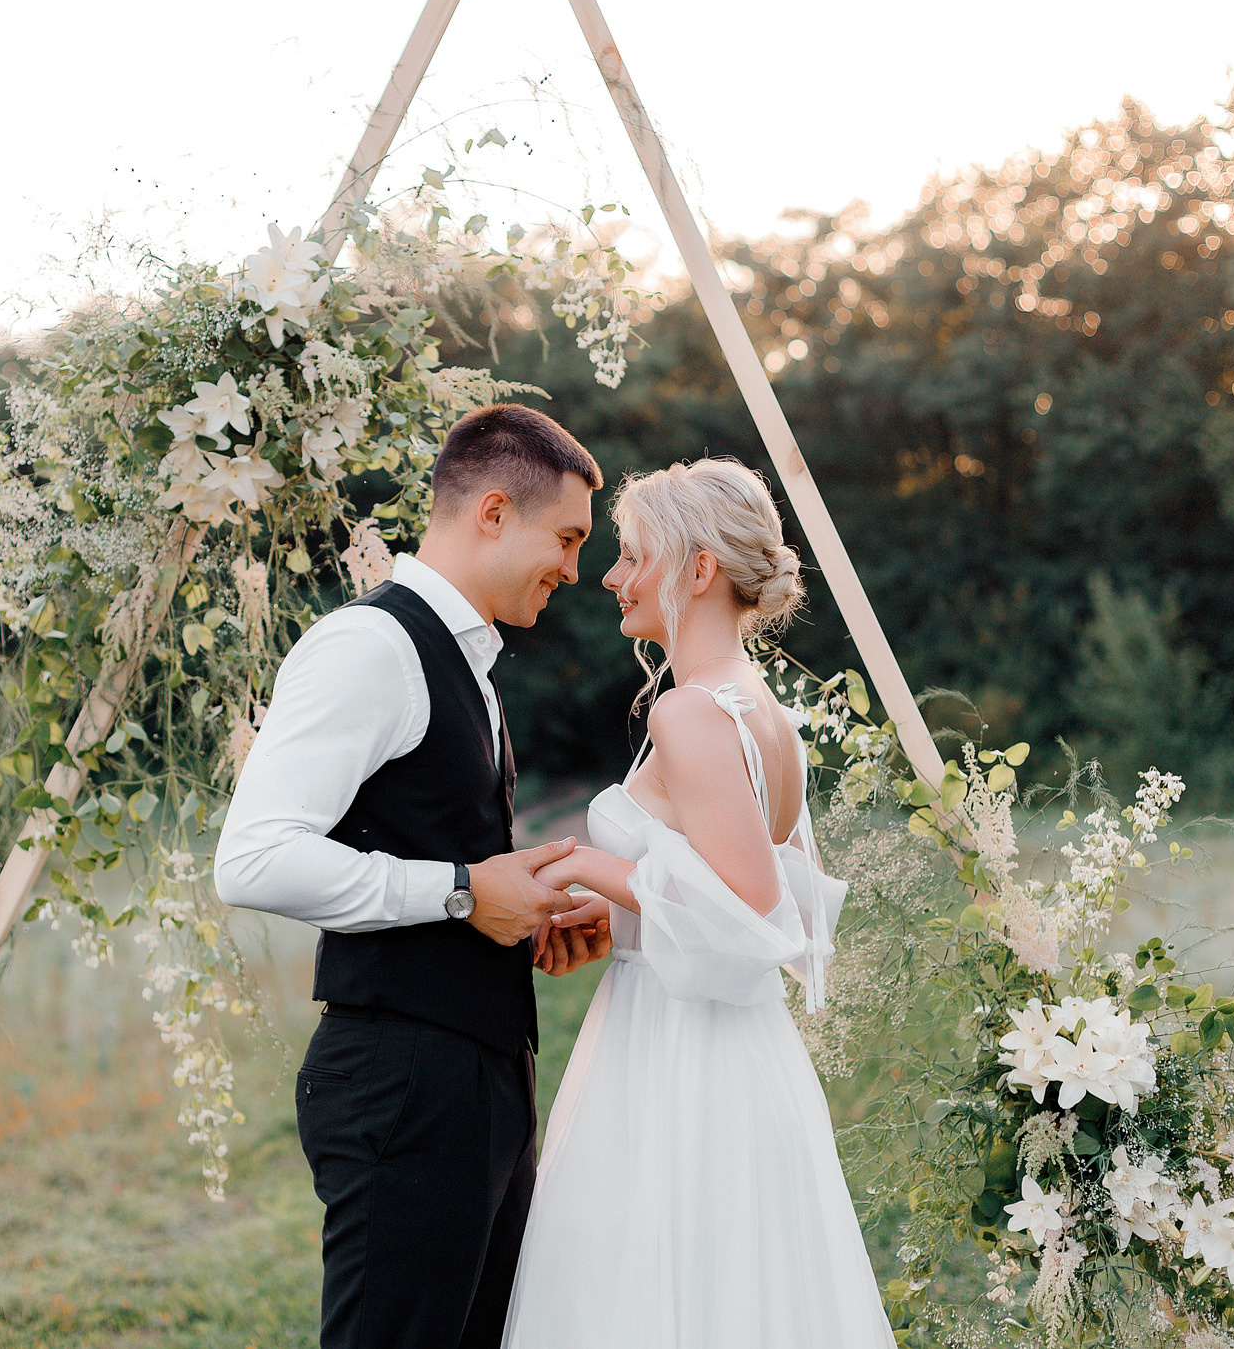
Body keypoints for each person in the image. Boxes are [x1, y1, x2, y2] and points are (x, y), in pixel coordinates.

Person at [215, 403, 617, 1349]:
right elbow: (255, 855)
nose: (573, 568)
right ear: (490, 513)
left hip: (475, 1079)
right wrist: (464, 892)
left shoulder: (466, 659)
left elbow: (443, 842)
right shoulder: (371, 648)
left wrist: (521, 910)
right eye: (564, 538)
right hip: (403, 1083)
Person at [500, 457, 896, 1348]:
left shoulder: (690, 715)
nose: (609, 577)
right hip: (737, 1051)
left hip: (680, 1055)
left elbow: (752, 917)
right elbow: (751, 890)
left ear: (700, 569)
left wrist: (579, 868)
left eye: (632, 554)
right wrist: (621, 915)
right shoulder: (764, 711)